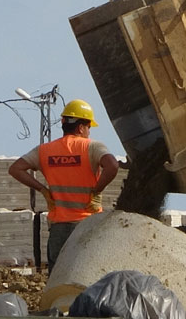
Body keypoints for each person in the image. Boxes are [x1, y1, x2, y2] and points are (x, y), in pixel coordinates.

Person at [9, 99, 119, 272]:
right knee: (86, 276)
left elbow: (15, 169)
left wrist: (43, 190)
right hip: (87, 225)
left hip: (59, 228)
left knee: (57, 280)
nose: (89, 132)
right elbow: (112, 166)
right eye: (89, 127)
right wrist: (97, 190)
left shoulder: (44, 151)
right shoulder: (92, 147)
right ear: (82, 127)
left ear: (63, 122)